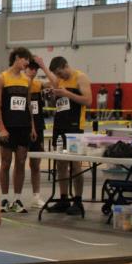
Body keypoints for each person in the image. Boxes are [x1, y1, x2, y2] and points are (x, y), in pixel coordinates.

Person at [46, 56, 92, 216]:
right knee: (60, 164)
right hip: (60, 125)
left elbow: (88, 101)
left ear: (66, 66)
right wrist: (53, 97)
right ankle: (63, 198)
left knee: (75, 164)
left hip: (74, 126)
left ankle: (78, 200)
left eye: (60, 73)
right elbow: (58, 104)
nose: (59, 77)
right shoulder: (59, 81)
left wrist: (67, 93)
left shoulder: (80, 77)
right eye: (56, 75)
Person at [0, 47, 35, 214]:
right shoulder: (2, 78)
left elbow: (28, 105)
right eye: (25, 59)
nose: (27, 63)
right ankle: (4, 199)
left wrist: (32, 126)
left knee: (21, 162)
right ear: (17, 58)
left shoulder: (27, 80)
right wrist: (2, 128)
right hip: (7, 127)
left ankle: (17, 199)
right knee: (5, 163)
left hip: (23, 127)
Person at [27, 57, 57, 209]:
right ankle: (13, 198)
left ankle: (36, 197)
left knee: (36, 164)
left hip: (38, 127)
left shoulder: (38, 84)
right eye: (30, 68)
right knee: (18, 162)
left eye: (35, 69)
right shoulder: (18, 84)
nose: (33, 71)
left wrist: (44, 66)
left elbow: (55, 82)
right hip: (21, 126)